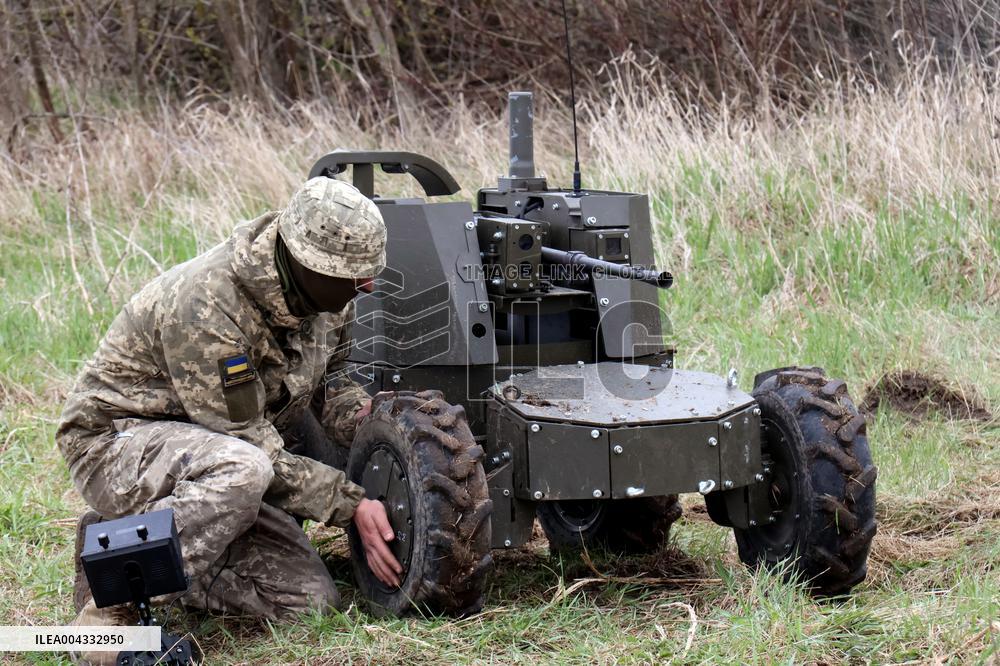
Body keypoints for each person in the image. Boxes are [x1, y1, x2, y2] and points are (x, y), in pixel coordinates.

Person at [56, 177, 402, 665]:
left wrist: (370, 419)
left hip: (210, 457)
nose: (365, 286)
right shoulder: (209, 302)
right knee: (245, 470)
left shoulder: (328, 301)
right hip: (116, 441)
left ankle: (127, 534)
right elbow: (247, 443)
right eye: (353, 275)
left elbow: (331, 383)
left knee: (307, 602)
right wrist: (350, 503)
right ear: (307, 264)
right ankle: (106, 617)